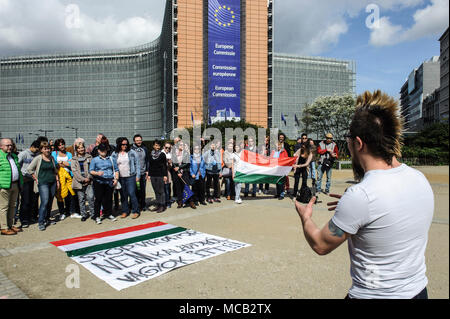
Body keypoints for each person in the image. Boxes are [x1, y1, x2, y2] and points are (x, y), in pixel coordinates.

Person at [295, 90, 434, 299]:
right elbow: (390, 210)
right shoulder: (419, 178)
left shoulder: (362, 195)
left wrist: (306, 217)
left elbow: (320, 244)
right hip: (418, 291)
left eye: (348, 139)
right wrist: (363, 213)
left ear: (358, 143)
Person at [27, 142, 60, 231]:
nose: (47, 150)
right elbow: (29, 169)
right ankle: (41, 222)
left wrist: (57, 181)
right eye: (45, 148)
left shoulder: (52, 158)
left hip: (52, 182)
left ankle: (47, 219)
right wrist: (35, 178)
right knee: (44, 202)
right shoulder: (38, 158)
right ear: (41, 150)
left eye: (48, 148)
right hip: (43, 183)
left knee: (50, 201)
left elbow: (55, 170)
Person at [89, 143, 119, 224]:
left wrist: (116, 179)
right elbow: (91, 170)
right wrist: (97, 173)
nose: (103, 152)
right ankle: (97, 216)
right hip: (99, 182)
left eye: (105, 150)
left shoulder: (111, 159)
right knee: (98, 199)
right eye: (101, 150)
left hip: (109, 181)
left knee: (109, 199)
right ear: (98, 151)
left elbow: (116, 170)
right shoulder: (95, 160)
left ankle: (109, 213)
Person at [111, 137, 141, 219]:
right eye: (123, 144)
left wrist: (138, 176)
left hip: (130, 176)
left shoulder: (132, 153)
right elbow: (113, 166)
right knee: (123, 195)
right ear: (119, 144)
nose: (125, 146)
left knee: (132, 193)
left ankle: (136, 211)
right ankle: (125, 211)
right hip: (120, 177)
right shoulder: (114, 154)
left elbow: (137, 164)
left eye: (126, 144)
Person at [0, 138, 24, 235]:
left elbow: (18, 170)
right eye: (7, 145)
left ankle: (10, 225)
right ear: (1, 146)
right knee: (3, 207)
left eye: (11, 145)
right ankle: (4, 227)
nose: (10, 147)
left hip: (15, 184)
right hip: (4, 186)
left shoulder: (13, 156)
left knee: (12, 206)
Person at [52, 138, 78, 220]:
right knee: (60, 195)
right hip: (58, 177)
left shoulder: (69, 154)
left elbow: (71, 164)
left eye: (62, 144)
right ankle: (62, 212)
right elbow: (54, 164)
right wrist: (64, 164)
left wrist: (62, 163)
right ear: (57, 146)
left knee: (70, 194)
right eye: (59, 145)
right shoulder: (54, 153)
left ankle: (70, 211)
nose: (62, 146)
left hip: (69, 176)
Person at [18, 140, 40, 228]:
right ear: (33, 146)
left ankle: (31, 217)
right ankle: (24, 219)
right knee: (25, 200)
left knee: (33, 199)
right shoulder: (23, 154)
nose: (37, 151)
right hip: (25, 179)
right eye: (37, 149)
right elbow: (17, 165)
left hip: (33, 179)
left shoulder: (37, 155)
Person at [71, 141, 94, 222]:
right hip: (79, 182)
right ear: (76, 149)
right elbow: (74, 171)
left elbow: (92, 168)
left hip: (89, 181)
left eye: (82, 147)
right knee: (81, 199)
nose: (81, 149)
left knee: (90, 197)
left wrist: (88, 178)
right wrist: (82, 179)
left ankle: (92, 214)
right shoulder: (74, 159)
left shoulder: (89, 157)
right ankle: (83, 214)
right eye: (79, 148)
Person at [171, 140, 195, 209]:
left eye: (183, 145)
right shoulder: (174, 153)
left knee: (186, 187)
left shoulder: (186, 153)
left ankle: (191, 201)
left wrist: (179, 167)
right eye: (180, 145)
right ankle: (180, 202)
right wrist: (178, 171)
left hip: (185, 172)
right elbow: (173, 163)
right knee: (178, 188)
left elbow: (187, 163)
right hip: (176, 173)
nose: (182, 146)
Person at [148, 140, 168, 213]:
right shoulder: (150, 154)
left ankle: (162, 205)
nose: (157, 147)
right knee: (156, 190)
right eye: (156, 145)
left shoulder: (162, 154)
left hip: (160, 175)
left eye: (158, 145)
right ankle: (158, 204)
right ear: (153, 146)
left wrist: (165, 175)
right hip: (153, 175)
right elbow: (149, 165)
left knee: (161, 191)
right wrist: (149, 175)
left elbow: (164, 166)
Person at [132, 134, 150, 212]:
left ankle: (143, 204)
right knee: (135, 190)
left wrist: (147, 171)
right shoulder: (131, 149)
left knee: (142, 190)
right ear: (134, 141)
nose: (139, 142)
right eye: (137, 140)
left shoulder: (144, 148)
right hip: (134, 174)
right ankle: (135, 205)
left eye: (140, 140)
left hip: (143, 173)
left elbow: (147, 160)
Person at [162, 142, 173, 208]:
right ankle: (164, 202)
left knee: (168, 188)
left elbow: (170, 167)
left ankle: (168, 201)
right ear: (163, 147)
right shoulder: (161, 154)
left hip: (168, 173)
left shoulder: (170, 155)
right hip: (161, 174)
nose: (167, 149)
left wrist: (169, 163)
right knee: (163, 188)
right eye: (166, 147)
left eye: (169, 148)